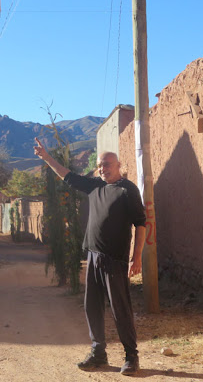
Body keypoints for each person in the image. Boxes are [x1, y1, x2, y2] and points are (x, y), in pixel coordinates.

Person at [34, 137, 146, 376]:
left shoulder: (127, 190)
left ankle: (131, 356)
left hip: (115, 259)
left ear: (118, 165)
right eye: (100, 165)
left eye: (107, 164)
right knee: (92, 307)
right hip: (93, 257)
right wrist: (46, 158)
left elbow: (141, 224)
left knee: (120, 309)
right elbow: (68, 176)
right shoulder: (95, 186)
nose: (103, 168)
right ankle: (98, 353)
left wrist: (137, 258)